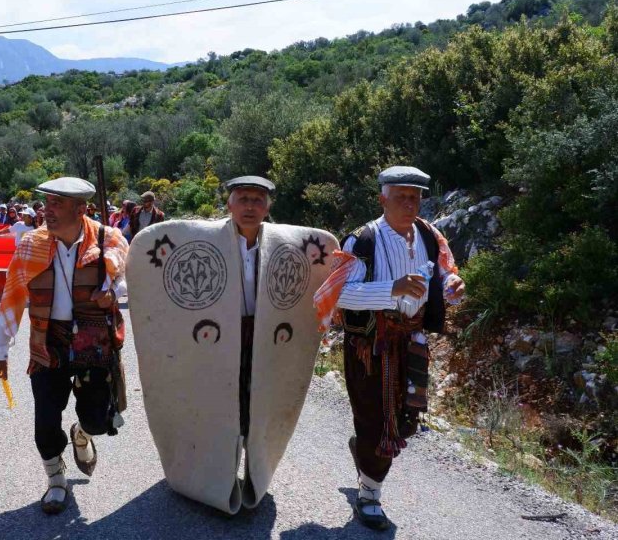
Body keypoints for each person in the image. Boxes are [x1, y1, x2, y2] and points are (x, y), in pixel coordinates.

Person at [125, 176, 339, 514]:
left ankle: (253, 472)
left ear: (268, 206)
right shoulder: (200, 241)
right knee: (216, 404)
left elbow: (320, 273)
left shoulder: (287, 245)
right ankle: (208, 477)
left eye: (258, 200)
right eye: (243, 199)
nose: (250, 206)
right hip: (216, 342)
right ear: (230, 204)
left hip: (264, 340)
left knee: (256, 405)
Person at [314, 165, 465, 531]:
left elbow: (445, 276)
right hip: (370, 346)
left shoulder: (431, 236)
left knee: (407, 422)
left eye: (415, 197)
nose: (409, 204)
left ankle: (363, 455)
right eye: (401, 196)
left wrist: (452, 288)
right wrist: (391, 289)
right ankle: (370, 496)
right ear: (383, 197)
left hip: (413, 343)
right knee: (375, 424)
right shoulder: (361, 240)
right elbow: (333, 297)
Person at [0, 177, 129, 515]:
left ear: (80, 209)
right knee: (46, 419)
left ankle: (82, 433)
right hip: (47, 343)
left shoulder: (109, 239)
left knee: (101, 420)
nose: (46, 210)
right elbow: (12, 297)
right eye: (46, 203)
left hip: (93, 345)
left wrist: (113, 293)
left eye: (56, 204)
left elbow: (127, 282)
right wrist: (0, 351)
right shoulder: (31, 245)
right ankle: (55, 481)